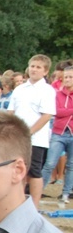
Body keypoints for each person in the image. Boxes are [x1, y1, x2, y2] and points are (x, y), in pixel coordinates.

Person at [8, 54, 56, 208]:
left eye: (38, 67)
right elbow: (11, 111)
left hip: (36, 139)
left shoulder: (47, 90)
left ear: (45, 71)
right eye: (32, 66)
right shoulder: (20, 89)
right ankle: (17, 202)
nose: (34, 69)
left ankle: (34, 206)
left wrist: (29, 132)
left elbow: (46, 115)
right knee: (16, 169)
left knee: (33, 172)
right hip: (17, 137)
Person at [41, 66, 73, 203]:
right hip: (58, 132)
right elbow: (57, 112)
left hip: (71, 132)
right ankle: (39, 190)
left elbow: (62, 111)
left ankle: (66, 193)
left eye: (70, 77)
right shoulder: (57, 94)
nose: (67, 79)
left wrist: (66, 110)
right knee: (49, 163)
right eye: (65, 77)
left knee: (71, 165)